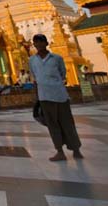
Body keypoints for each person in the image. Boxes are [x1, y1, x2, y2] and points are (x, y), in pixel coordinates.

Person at [29, 33, 83, 162]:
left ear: (46, 43)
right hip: (44, 96)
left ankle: (76, 149)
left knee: (67, 123)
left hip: (60, 95)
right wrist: (37, 96)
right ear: (34, 45)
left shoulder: (56, 58)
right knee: (52, 125)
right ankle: (59, 151)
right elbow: (35, 77)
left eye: (41, 42)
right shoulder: (32, 60)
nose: (39, 44)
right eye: (36, 42)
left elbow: (63, 73)